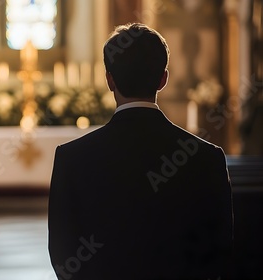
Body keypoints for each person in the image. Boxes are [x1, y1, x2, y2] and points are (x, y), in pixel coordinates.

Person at [48, 23, 233, 280]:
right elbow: (220, 253)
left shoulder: (71, 158)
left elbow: (62, 253)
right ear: (163, 79)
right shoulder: (207, 158)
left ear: (109, 79)